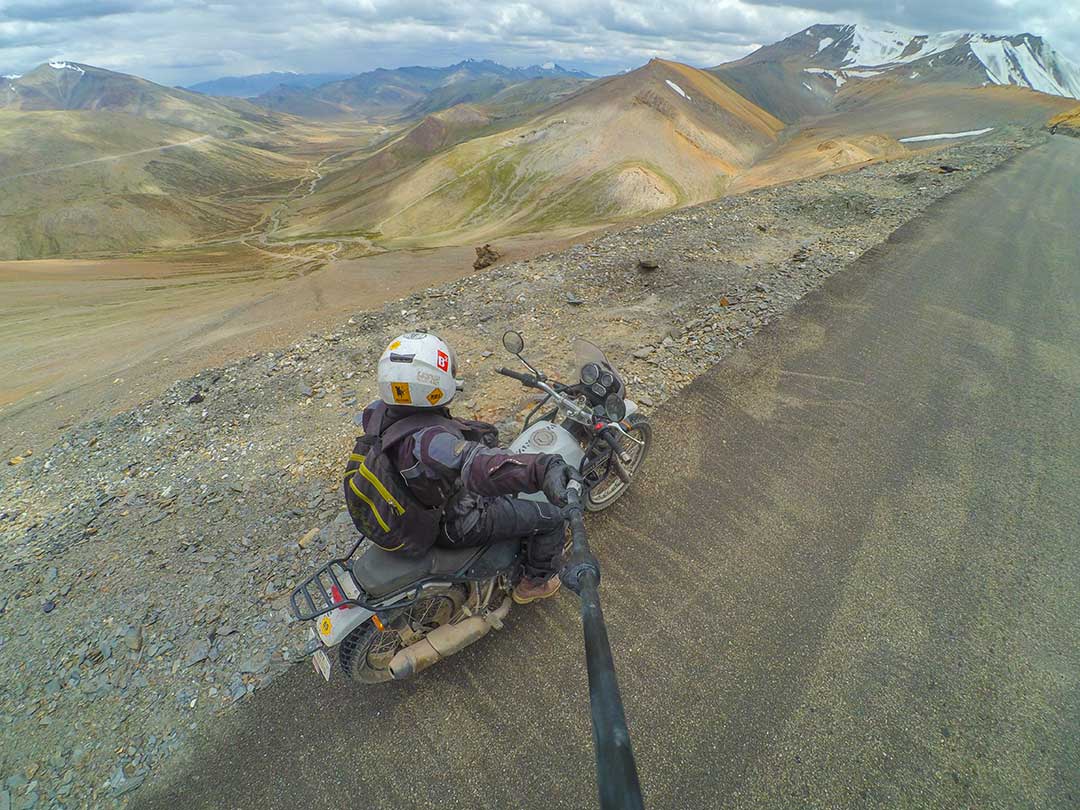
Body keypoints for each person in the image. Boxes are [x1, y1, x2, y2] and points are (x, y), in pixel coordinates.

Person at [356, 331, 579, 604]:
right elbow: (475, 464)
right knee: (553, 518)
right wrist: (541, 469)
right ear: (434, 385)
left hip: (413, 504)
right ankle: (533, 583)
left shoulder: (376, 413)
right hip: (459, 522)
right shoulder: (430, 443)